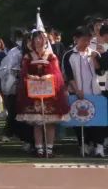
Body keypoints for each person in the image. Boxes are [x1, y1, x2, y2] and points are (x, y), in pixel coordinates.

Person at [17, 29, 69, 158]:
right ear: (32, 41)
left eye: (41, 38)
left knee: (50, 122)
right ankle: (39, 149)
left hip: (49, 92)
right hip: (34, 91)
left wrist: (49, 77)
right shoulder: (28, 56)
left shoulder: (51, 56)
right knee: (37, 123)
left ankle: (49, 149)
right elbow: (23, 72)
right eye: (36, 38)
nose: (39, 41)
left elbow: (57, 73)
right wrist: (31, 77)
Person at [63, 27, 103, 157]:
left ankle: (98, 146)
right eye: (84, 40)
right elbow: (68, 75)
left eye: (88, 40)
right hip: (77, 92)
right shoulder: (69, 55)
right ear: (76, 39)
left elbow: (100, 71)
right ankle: (83, 144)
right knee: (79, 119)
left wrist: (95, 58)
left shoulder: (94, 53)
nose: (86, 43)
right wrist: (76, 89)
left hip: (94, 92)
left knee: (96, 120)